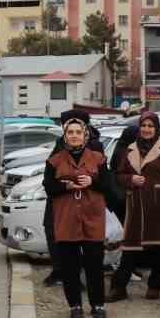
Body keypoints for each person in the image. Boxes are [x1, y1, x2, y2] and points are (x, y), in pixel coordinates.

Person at [42, 117, 115, 318]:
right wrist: (66, 186)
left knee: (94, 264)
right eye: (70, 132)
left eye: (78, 132)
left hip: (92, 217)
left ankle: (98, 304)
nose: (74, 136)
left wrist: (92, 181)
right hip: (66, 218)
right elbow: (48, 186)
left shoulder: (98, 158)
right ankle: (75, 305)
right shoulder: (55, 160)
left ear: (85, 135)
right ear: (65, 136)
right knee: (69, 266)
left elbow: (108, 185)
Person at [110, 112, 160, 302]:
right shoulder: (129, 150)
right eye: (144, 125)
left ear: (157, 129)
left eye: (150, 126)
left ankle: (155, 285)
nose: (146, 129)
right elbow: (119, 175)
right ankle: (119, 287)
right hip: (136, 206)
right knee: (130, 248)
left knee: (159, 248)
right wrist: (130, 179)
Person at [40, 110, 104, 286]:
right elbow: (50, 174)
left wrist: (90, 182)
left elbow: (104, 178)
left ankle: (79, 278)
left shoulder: (94, 146)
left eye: (76, 129)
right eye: (67, 127)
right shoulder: (61, 142)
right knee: (55, 232)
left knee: (86, 242)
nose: (72, 133)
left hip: (87, 202)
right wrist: (62, 186)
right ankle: (61, 271)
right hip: (61, 200)